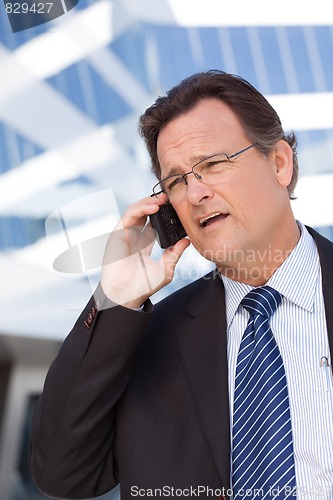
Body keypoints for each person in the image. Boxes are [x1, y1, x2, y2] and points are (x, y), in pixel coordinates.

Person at [29, 71, 333, 500]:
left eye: (212, 165)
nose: (194, 194)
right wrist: (115, 298)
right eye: (176, 182)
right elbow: (61, 472)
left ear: (279, 163)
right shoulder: (145, 338)